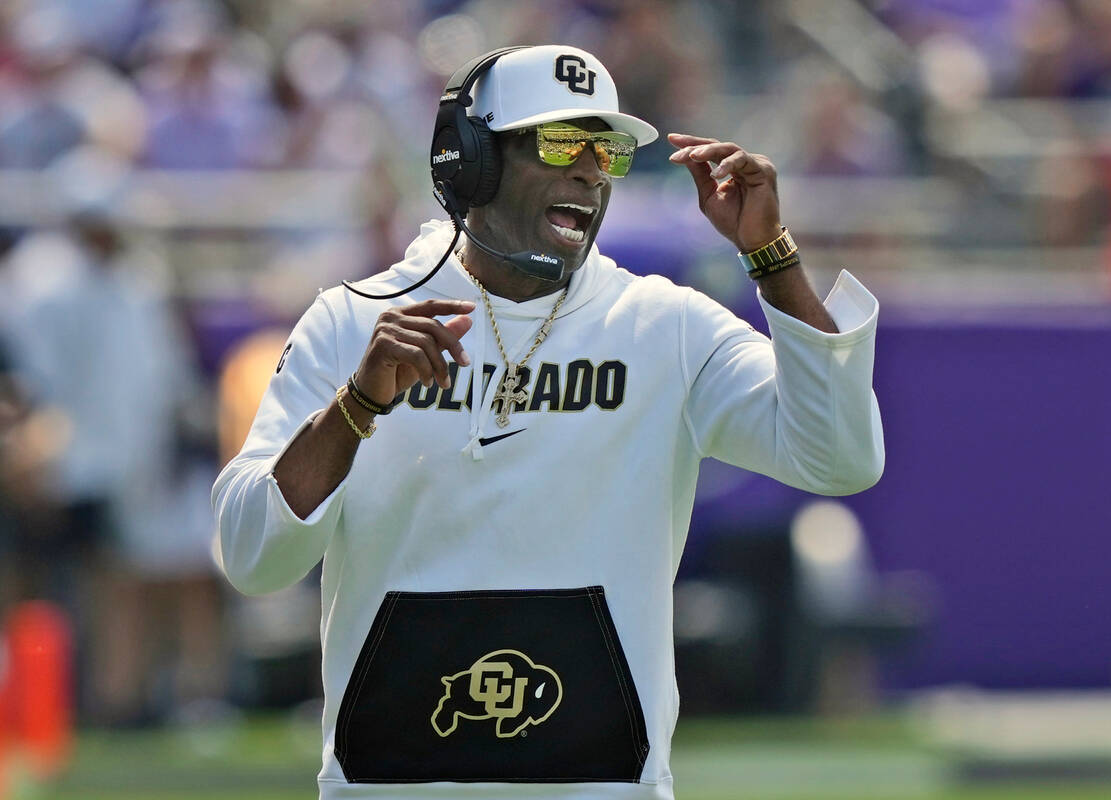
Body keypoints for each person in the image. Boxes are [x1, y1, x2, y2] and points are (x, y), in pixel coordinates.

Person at [213, 45, 885, 799]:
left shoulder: (664, 325)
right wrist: (356, 406)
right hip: (391, 785)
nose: (592, 170)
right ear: (469, 162)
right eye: (563, 142)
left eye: (609, 149)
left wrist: (771, 255)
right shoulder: (352, 323)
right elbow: (253, 558)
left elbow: (839, 458)